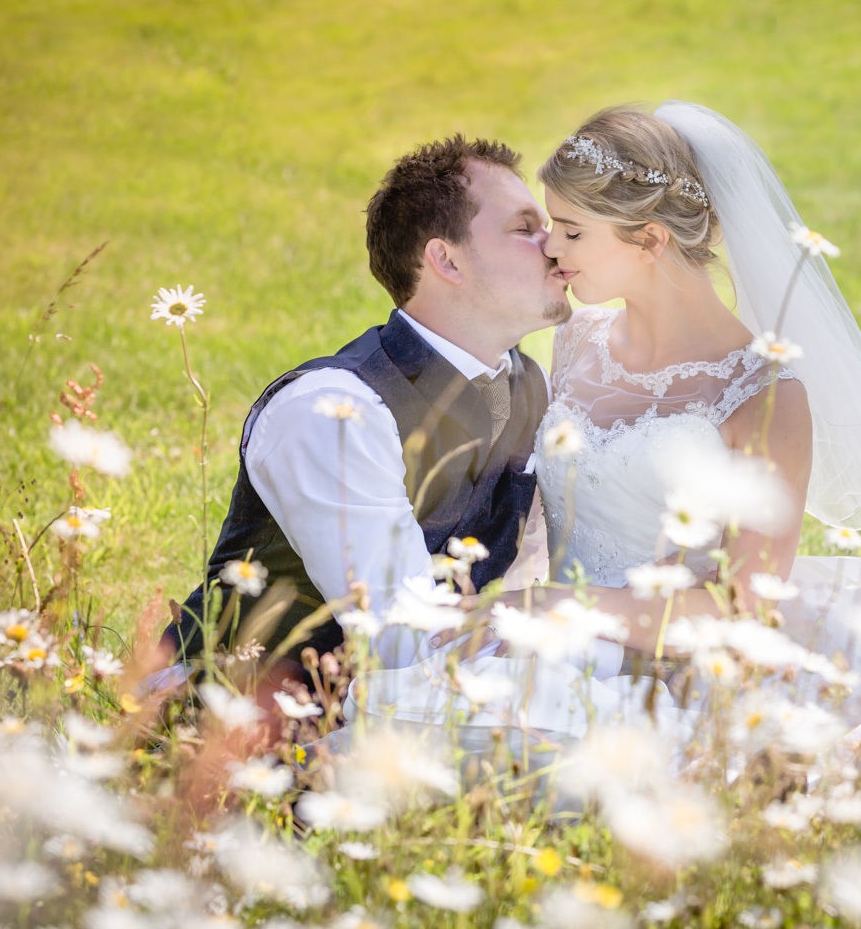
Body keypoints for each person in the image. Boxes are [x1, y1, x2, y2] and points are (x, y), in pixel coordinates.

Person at [342, 103, 861, 745]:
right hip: (550, 635)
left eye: (571, 230)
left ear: (651, 240)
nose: (551, 252)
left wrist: (559, 607)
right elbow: (548, 508)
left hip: (679, 665)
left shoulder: (764, 395)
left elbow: (743, 609)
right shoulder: (576, 343)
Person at [152, 135, 573, 700]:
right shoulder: (331, 411)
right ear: (446, 259)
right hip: (240, 727)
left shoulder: (529, 386)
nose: (557, 247)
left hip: (433, 700)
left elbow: (521, 572)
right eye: (526, 229)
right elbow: (397, 637)